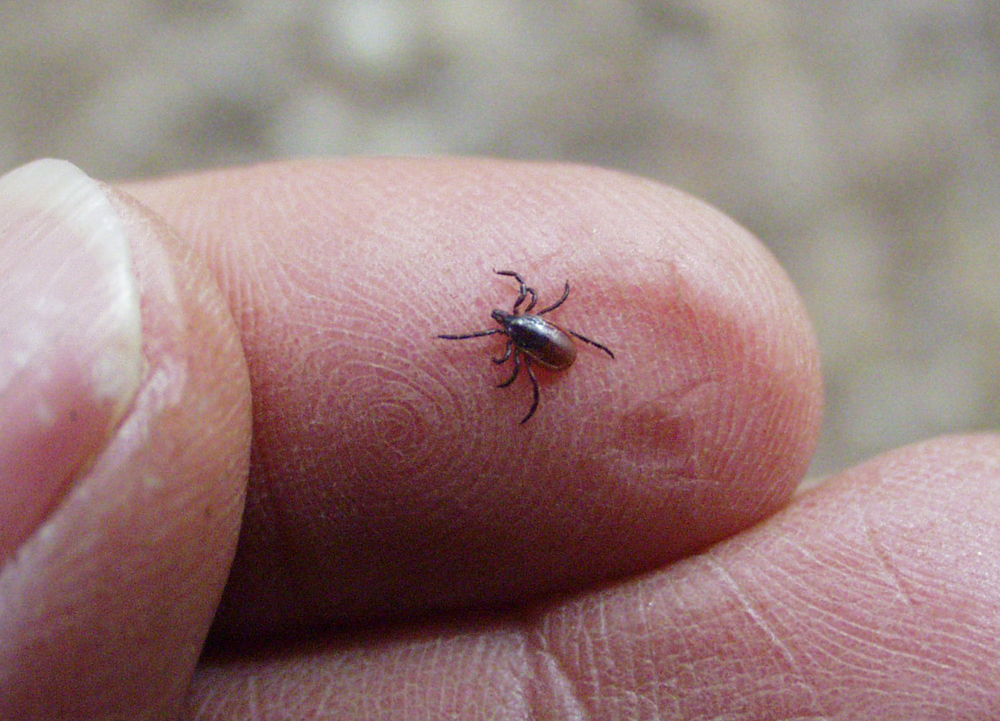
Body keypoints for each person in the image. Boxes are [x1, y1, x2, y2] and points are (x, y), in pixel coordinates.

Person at [1, 157, 996, 719]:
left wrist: (526, 366)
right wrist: (532, 354)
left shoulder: (525, 341)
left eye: (512, 322)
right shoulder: (536, 331)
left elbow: (528, 354)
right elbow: (539, 333)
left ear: (521, 324)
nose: (510, 327)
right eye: (515, 324)